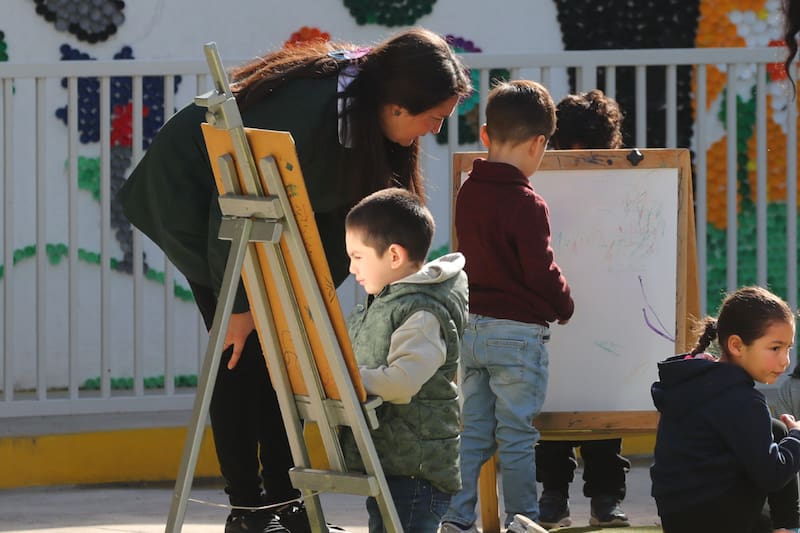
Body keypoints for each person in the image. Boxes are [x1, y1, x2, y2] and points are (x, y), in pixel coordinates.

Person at [117, 28, 471, 533]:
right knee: (242, 357)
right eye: (433, 119)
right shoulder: (308, 122)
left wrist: (307, 306)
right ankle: (251, 511)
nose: (434, 132)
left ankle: (290, 506)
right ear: (397, 104)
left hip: (259, 220)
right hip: (203, 207)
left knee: (285, 353)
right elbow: (234, 209)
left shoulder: (363, 117)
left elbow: (331, 222)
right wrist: (237, 307)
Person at [440, 80, 574, 533]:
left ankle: (455, 520)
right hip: (518, 337)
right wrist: (563, 303)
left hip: (471, 330)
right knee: (516, 436)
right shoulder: (528, 203)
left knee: (472, 434)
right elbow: (540, 271)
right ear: (539, 143)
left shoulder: (469, 192)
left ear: (484, 135)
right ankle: (524, 521)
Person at [339, 187, 468, 533]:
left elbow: (401, 382)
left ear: (393, 256)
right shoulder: (388, 301)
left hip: (417, 471)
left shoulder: (422, 312)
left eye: (358, 256)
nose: (351, 268)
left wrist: (349, 377)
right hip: (396, 461)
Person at [534, 89, 631, 529]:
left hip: (607, 313)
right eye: (569, 154)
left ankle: (606, 497)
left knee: (604, 408)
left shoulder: (629, 184)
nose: (579, 163)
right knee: (552, 405)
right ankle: (553, 494)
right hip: (552, 311)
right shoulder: (535, 183)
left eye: (588, 155)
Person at [650, 285, 800, 533]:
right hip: (720, 519)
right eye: (775, 348)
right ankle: (789, 528)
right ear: (737, 345)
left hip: (678, 518)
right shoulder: (742, 400)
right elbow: (772, 474)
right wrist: (797, 438)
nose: (785, 360)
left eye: (789, 348)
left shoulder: (697, 381)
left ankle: (786, 527)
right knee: (784, 440)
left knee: (776, 429)